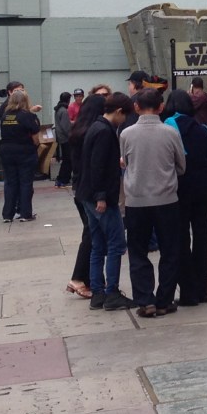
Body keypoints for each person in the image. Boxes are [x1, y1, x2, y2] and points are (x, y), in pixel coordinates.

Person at [120, 89, 185, 318]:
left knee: (137, 251)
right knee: (170, 250)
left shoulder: (126, 134)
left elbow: (125, 162)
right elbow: (181, 166)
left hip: (136, 200)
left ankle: (145, 300)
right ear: (160, 107)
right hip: (166, 198)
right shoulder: (170, 133)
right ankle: (164, 300)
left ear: (136, 107)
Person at [76, 93, 135, 311]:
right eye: (125, 115)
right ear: (118, 111)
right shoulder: (104, 131)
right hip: (100, 197)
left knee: (98, 245)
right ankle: (111, 293)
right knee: (116, 244)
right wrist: (101, 196)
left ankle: (98, 293)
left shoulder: (96, 127)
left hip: (87, 194)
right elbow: (97, 165)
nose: (125, 120)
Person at [163, 90, 207, 306]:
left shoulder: (168, 128)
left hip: (179, 188)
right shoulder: (202, 130)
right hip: (203, 188)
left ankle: (188, 292)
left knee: (181, 239)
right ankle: (203, 289)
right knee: (202, 238)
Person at [66, 94, 107, 299]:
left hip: (80, 188)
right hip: (90, 190)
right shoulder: (94, 132)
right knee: (92, 233)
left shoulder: (78, 131)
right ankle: (80, 278)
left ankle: (88, 278)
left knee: (92, 233)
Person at [0, 89, 41, 222]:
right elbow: (35, 138)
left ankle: (7, 214)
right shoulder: (27, 115)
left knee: (10, 183)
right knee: (25, 183)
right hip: (25, 152)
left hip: (6, 151)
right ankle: (25, 213)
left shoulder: (5, 115)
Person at [53, 92, 73, 188]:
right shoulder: (64, 110)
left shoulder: (58, 109)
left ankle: (61, 178)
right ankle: (64, 179)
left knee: (66, 159)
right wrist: (71, 136)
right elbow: (66, 127)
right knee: (68, 160)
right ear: (68, 100)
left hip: (60, 137)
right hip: (66, 138)